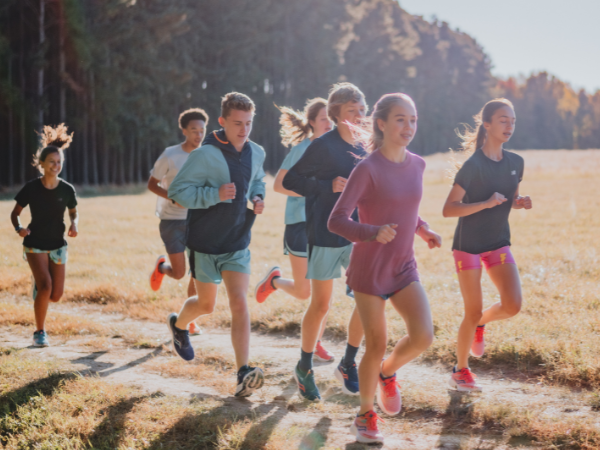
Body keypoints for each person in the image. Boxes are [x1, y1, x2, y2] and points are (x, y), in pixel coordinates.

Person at [329, 93, 442, 444]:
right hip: (370, 270)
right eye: (400, 119)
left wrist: (423, 230)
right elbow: (337, 220)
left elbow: (406, 206)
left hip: (404, 266)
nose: (408, 126)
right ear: (381, 123)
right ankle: (364, 414)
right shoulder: (368, 168)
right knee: (375, 343)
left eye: (413, 119)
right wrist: (372, 233)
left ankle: (387, 374)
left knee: (423, 336)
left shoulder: (418, 165)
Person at [166, 92, 267, 397]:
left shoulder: (257, 152)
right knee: (206, 305)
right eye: (237, 123)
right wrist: (214, 194)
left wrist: (258, 197)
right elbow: (177, 191)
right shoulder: (205, 154)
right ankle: (179, 325)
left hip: (238, 240)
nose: (244, 129)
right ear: (222, 121)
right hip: (205, 243)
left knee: (239, 303)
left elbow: (258, 180)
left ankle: (242, 372)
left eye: (249, 123)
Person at [282, 82, 368, 401]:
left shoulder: (366, 146)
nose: (359, 115)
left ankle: (348, 362)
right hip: (324, 232)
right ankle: (304, 366)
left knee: (367, 297)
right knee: (321, 304)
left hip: (358, 232)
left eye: (362, 109)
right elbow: (291, 180)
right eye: (352, 110)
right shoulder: (322, 145)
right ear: (335, 114)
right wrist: (326, 184)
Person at [442, 98, 532, 392]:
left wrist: (519, 203)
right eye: (503, 120)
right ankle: (460, 370)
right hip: (467, 246)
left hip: (497, 242)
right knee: (472, 309)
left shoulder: (516, 162)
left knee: (512, 305)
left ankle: (480, 324)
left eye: (513, 120)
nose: (509, 126)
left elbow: (510, 199)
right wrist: (485, 203)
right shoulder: (473, 166)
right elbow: (449, 209)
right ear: (488, 124)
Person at [254, 97, 335, 362]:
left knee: (323, 295)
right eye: (323, 118)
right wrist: (312, 191)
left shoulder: (335, 150)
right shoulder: (302, 150)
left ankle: (316, 343)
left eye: (331, 119)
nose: (328, 123)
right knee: (304, 292)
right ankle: (274, 281)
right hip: (299, 225)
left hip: (325, 226)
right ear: (312, 122)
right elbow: (278, 185)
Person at [10, 124, 78, 347]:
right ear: (42, 164)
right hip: (34, 243)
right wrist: (18, 228)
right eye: (51, 162)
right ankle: (39, 332)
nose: (56, 166)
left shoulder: (67, 189)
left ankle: (39, 287)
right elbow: (15, 213)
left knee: (55, 295)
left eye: (59, 162)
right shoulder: (31, 188)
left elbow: (73, 212)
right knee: (46, 286)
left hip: (58, 244)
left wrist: (74, 224)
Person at [148, 108, 209, 336]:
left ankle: (190, 320)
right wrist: (173, 197)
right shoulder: (170, 155)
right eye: (194, 130)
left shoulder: (207, 155)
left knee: (196, 273)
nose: (199, 135)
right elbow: (152, 184)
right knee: (180, 272)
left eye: (202, 130)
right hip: (172, 220)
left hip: (197, 221)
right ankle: (163, 267)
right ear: (184, 130)